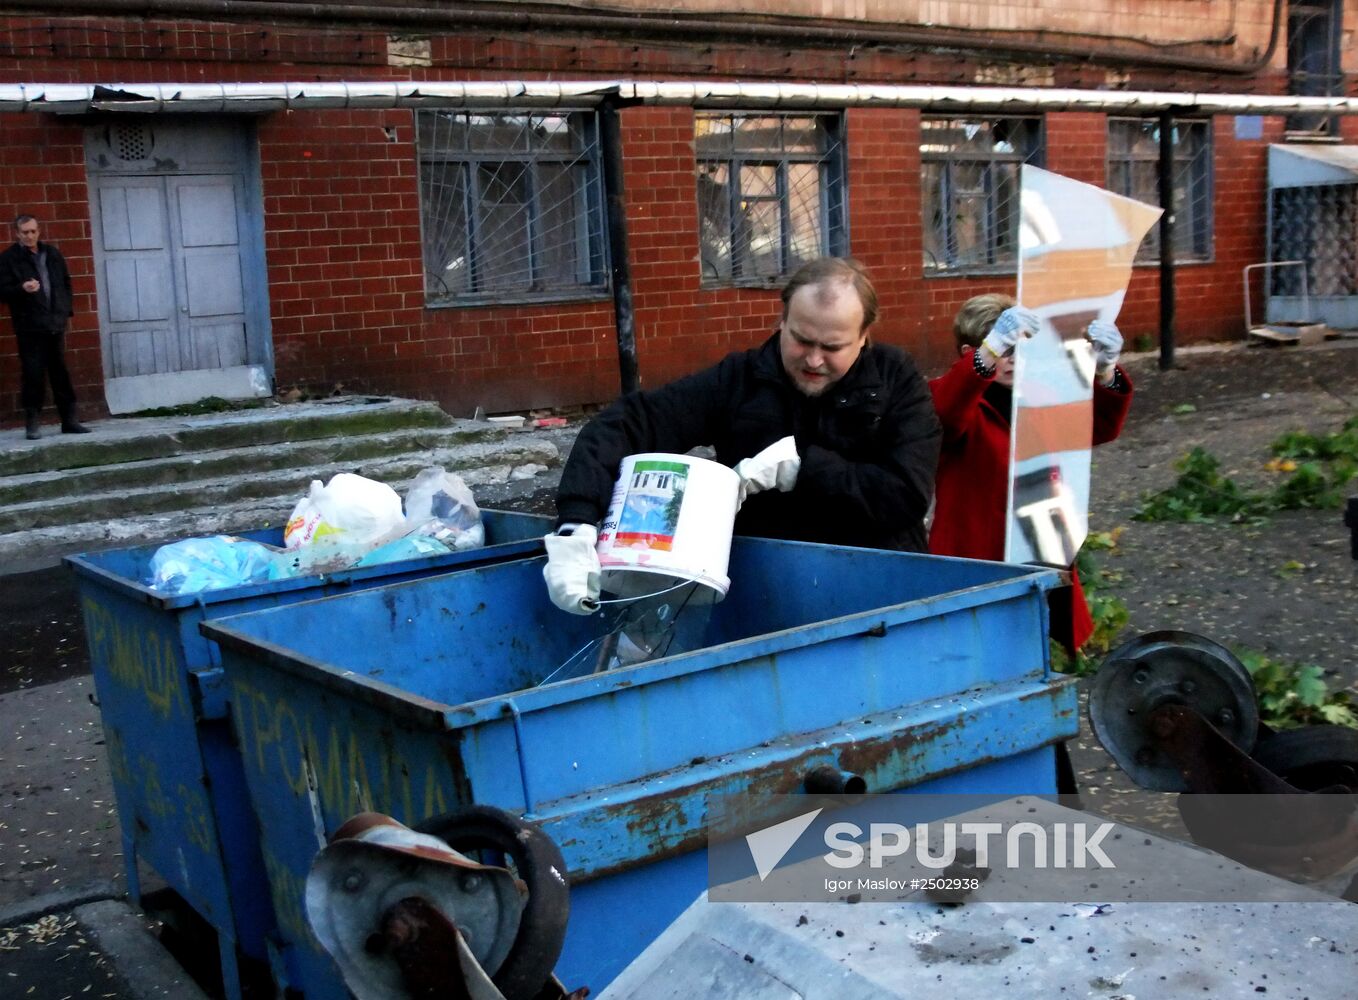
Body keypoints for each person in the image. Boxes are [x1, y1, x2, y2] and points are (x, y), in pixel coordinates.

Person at [545, 257, 942, 614]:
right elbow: (630, 422)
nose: (814, 359)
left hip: (879, 591)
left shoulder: (897, 381)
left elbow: (905, 494)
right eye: (802, 340)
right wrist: (577, 523)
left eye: (832, 346)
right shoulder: (740, 380)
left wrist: (804, 466)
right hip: (763, 594)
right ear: (782, 320)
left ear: (863, 335)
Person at [927, 293, 1133, 654]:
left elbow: (1099, 427)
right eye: (1004, 350)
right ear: (968, 352)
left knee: (1027, 650)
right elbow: (946, 413)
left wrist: (1105, 371)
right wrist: (987, 355)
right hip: (974, 553)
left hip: (1037, 545)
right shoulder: (949, 395)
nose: (1013, 360)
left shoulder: (1038, 394)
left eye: (1019, 348)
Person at [0, 215, 88, 439]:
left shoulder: (52, 254)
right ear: (17, 233)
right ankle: (32, 423)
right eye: (24, 232)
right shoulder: (9, 258)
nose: (29, 236)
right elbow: (2, 291)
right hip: (29, 327)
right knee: (33, 375)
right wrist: (22, 288)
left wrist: (63, 312)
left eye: (33, 231)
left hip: (54, 324)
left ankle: (69, 420)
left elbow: (65, 283)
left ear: (39, 231)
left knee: (60, 373)